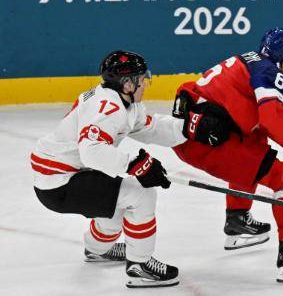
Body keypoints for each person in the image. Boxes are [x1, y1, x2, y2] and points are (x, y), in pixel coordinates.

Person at [31, 50, 222, 288]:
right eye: (142, 79)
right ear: (128, 83)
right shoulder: (107, 106)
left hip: (65, 175)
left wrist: (190, 129)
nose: (146, 83)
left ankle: (97, 249)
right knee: (140, 194)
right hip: (59, 182)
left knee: (115, 204)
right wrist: (134, 165)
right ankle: (139, 266)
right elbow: (91, 150)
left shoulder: (125, 102)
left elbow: (150, 127)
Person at [172, 28, 283, 283]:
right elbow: (274, 120)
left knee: (253, 145)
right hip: (209, 143)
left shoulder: (245, 61)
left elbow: (258, 124)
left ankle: (238, 220)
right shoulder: (270, 72)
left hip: (192, 133)